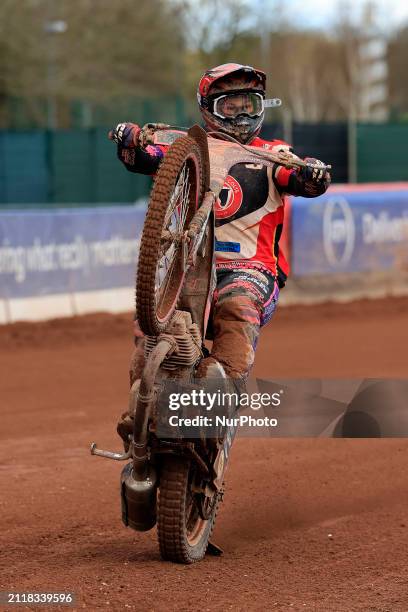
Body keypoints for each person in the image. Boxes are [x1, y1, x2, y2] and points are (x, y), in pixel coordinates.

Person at [111, 63, 331, 443]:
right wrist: (129, 142)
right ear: (208, 107)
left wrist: (312, 173)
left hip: (250, 270)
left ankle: (220, 387)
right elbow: (144, 158)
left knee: (236, 307)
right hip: (188, 269)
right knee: (149, 327)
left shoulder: (274, 154)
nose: (242, 114)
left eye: (250, 104)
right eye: (231, 106)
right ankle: (142, 408)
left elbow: (302, 180)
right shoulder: (184, 150)